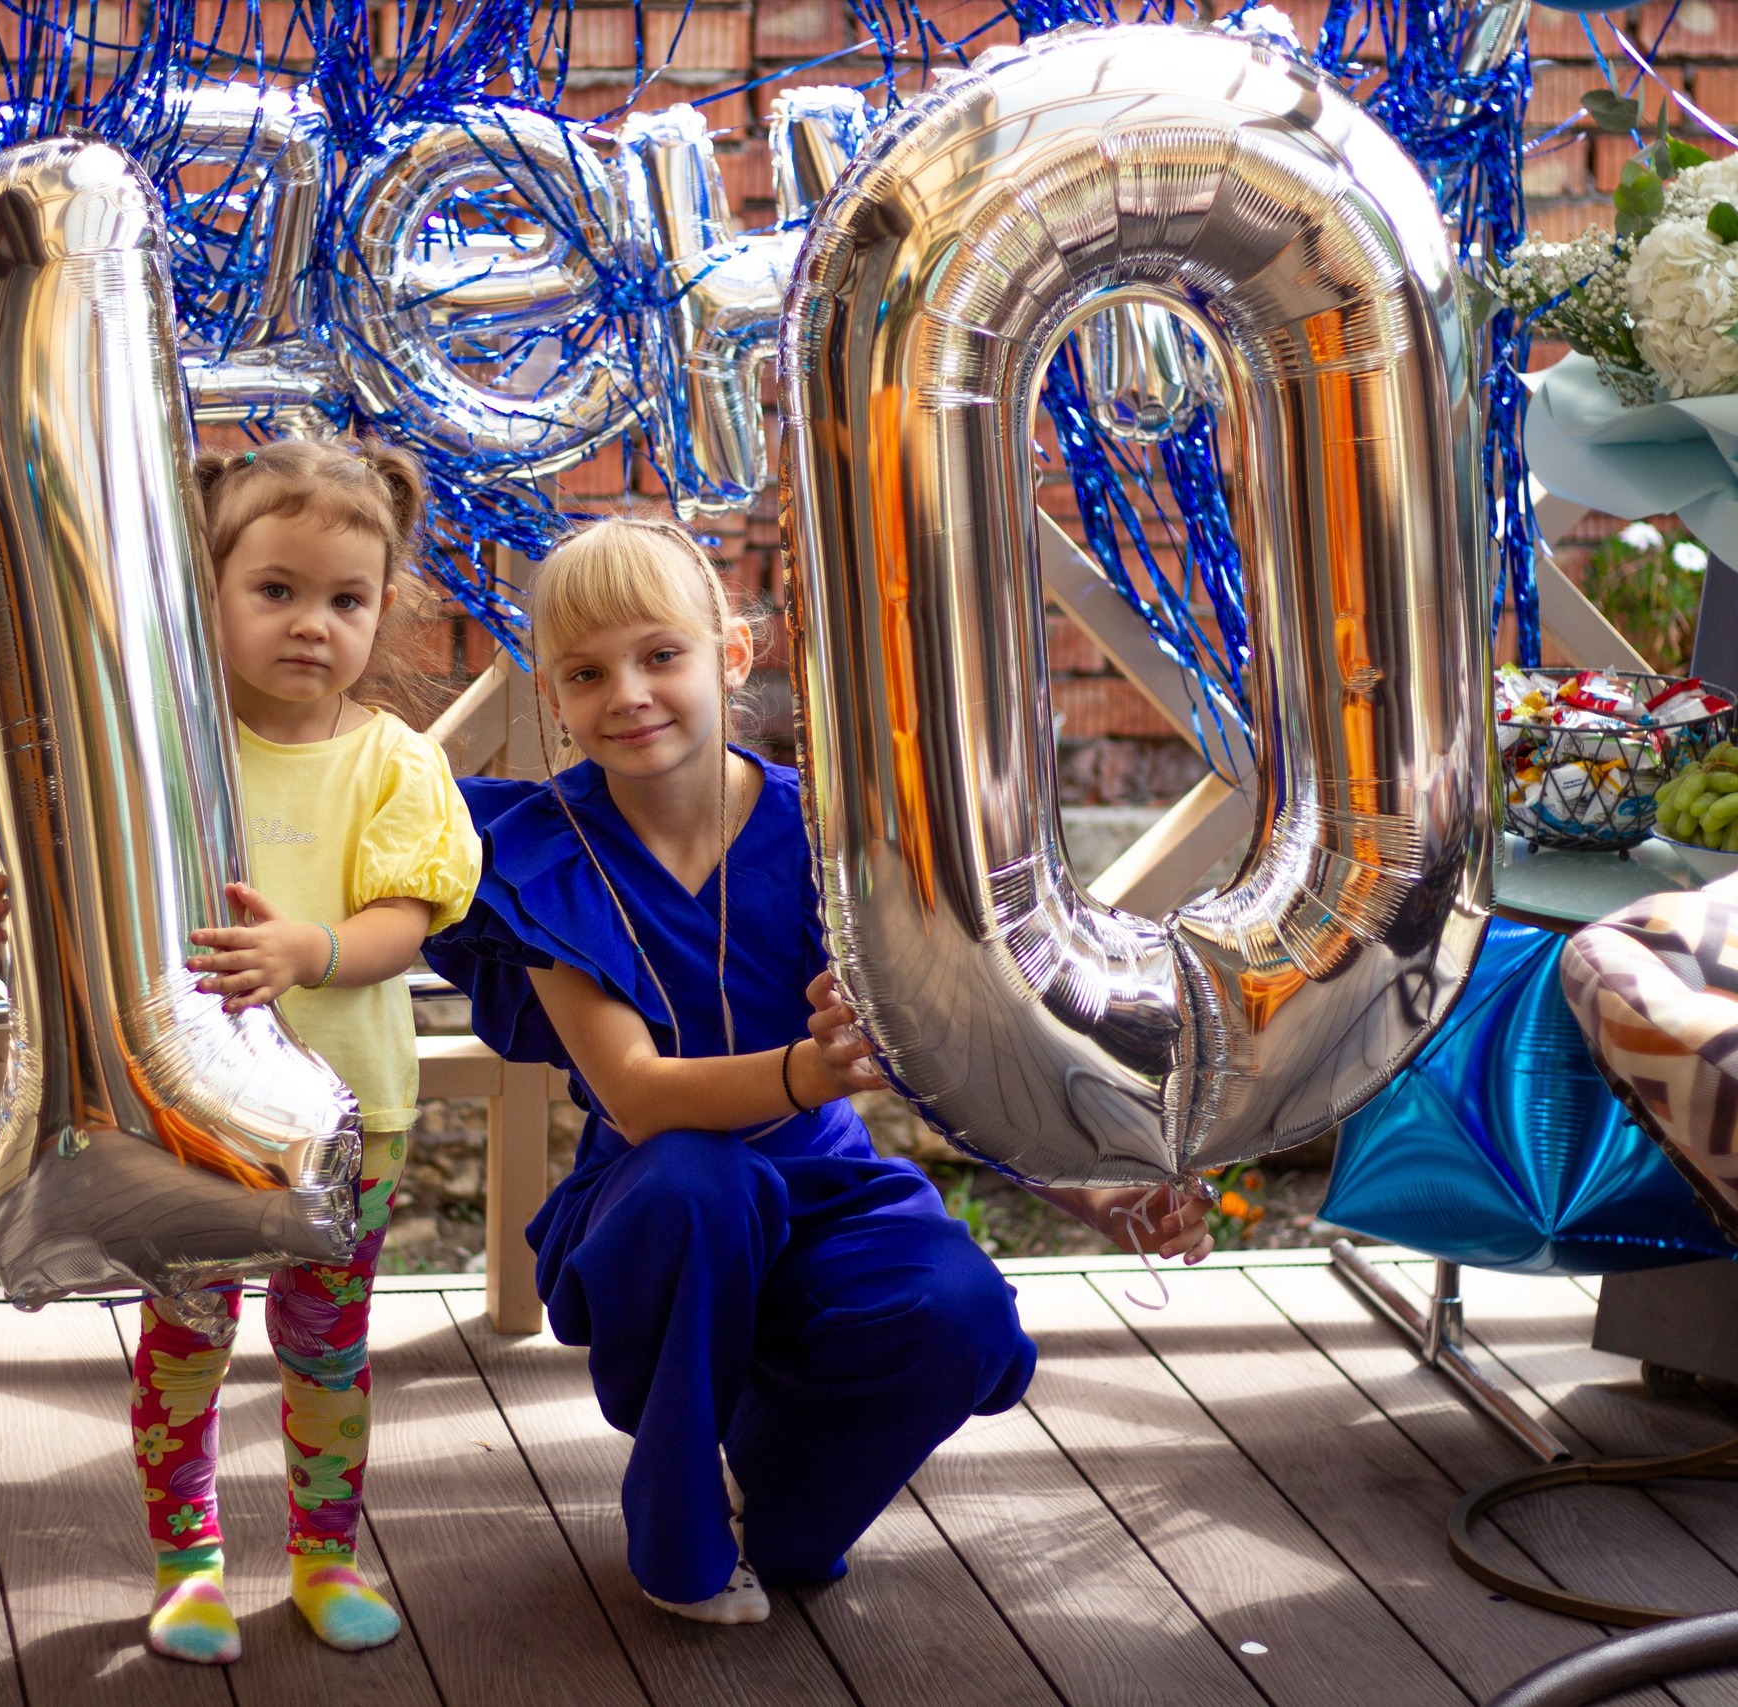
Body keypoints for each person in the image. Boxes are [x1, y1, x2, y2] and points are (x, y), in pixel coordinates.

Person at [423, 517, 1210, 1625]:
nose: (629, 694)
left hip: (828, 1188)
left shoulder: (835, 838)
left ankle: (777, 1497)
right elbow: (640, 1098)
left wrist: (1098, 1192)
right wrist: (808, 1068)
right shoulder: (548, 851)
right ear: (552, 695)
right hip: (652, 1203)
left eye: (661, 656)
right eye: (587, 673)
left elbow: (958, 1061)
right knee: (707, 1182)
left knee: (958, 1312)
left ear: (730, 656)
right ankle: (677, 1509)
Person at [0, 438, 478, 1664]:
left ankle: (322, 1556)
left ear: (383, 608)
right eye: (277, 591)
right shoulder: (153, 756)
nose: (314, 625)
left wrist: (311, 949)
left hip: (352, 1123)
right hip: (187, 1123)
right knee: (188, 1333)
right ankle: (188, 1565)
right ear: (208, 592)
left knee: (324, 1346)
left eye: (348, 601)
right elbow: (78, 885)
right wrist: (10, 904)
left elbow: (406, 918)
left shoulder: (391, 761)